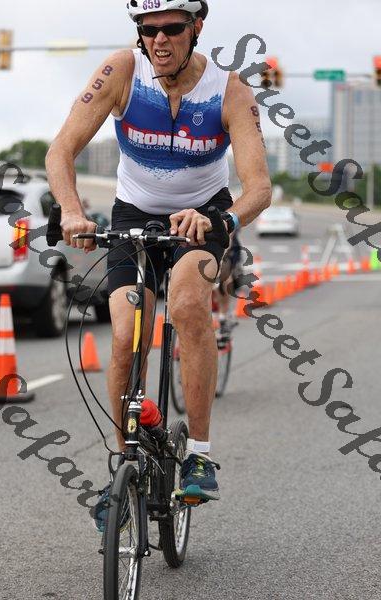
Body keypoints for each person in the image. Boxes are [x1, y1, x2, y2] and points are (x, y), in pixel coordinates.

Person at [45, 0, 271, 531]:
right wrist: (72, 211)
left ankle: (199, 454)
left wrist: (223, 222)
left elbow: (259, 188)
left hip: (202, 218)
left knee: (188, 305)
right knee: (126, 334)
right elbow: (61, 151)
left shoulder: (229, 90)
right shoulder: (122, 71)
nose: (159, 40)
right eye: (149, 30)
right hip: (133, 215)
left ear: (196, 27)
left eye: (171, 28)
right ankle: (122, 462)